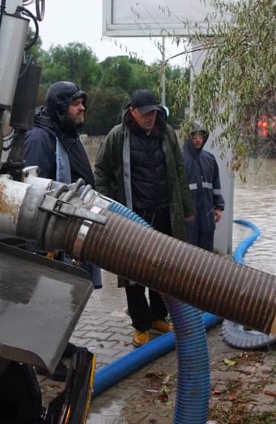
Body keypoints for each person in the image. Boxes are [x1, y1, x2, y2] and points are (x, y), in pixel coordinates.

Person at [94, 89, 195, 347]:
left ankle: (158, 316)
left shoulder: (167, 133)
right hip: (132, 215)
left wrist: (186, 207)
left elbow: (179, 172)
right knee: (134, 271)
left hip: (165, 213)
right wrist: (107, 207)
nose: (151, 117)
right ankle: (140, 324)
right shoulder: (118, 136)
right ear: (133, 112)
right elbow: (102, 173)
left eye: (154, 112)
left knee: (164, 269)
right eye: (146, 113)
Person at [24, 80, 102, 288]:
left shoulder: (69, 137)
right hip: (49, 245)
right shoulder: (40, 139)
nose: (82, 107)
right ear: (60, 107)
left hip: (72, 237)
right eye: (76, 103)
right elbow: (31, 195)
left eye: (82, 102)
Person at [182, 122, 225, 251]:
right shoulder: (180, 159)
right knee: (189, 251)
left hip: (207, 214)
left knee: (207, 252)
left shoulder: (209, 159)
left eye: (200, 136)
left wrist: (218, 207)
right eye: (194, 136)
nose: (198, 140)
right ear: (188, 138)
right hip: (189, 216)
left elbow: (215, 184)